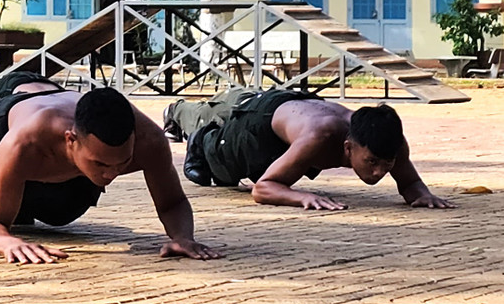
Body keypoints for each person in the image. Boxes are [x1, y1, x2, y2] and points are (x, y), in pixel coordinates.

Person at [0, 86, 221, 265]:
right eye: (100, 164)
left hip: (58, 97)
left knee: (61, 213)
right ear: (70, 139)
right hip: (13, 105)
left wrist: (183, 237)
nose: (111, 174)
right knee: (4, 212)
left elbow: (172, 202)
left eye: (121, 163)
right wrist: (6, 243)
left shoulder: (150, 141)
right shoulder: (24, 145)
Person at [169, 88, 455, 211]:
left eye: (387, 164)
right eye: (372, 162)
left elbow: (411, 184)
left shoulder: (390, 140)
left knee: (230, 102)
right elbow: (263, 189)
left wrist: (424, 196)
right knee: (223, 170)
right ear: (348, 146)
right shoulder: (321, 135)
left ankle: (224, 105)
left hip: (294, 106)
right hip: (259, 121)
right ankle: (191, 126)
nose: (380, 171)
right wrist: (301, 196)